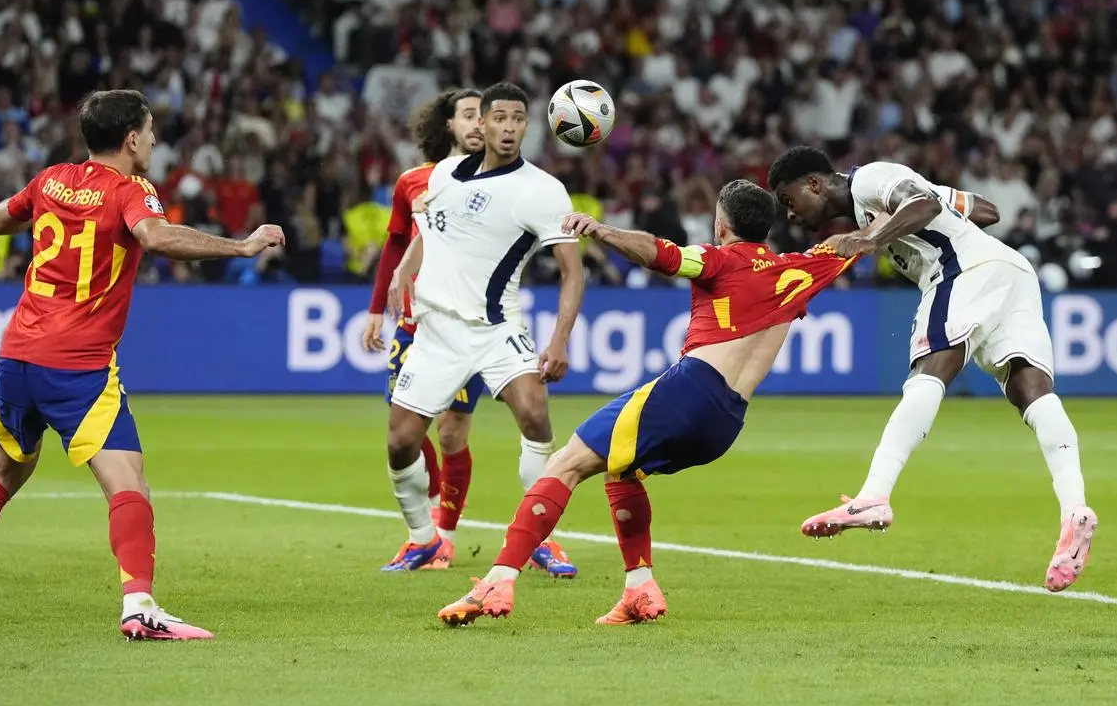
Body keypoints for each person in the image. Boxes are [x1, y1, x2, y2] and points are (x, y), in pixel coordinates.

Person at [0, 90, 285, 637]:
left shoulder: (52, 178)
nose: (154, 141)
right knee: (128, 481)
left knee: (4, 470)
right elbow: (154, 236)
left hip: (17, 355)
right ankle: (140, 607)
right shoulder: (130, 190)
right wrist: (242, 247)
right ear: (132, 139)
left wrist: (38, 215)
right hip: (77, 363)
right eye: (150, 131)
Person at [436, 180, 857, 627]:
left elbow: (660, 253)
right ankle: (640, 588)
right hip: (726, 423)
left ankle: (499, 579)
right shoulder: (800, 269)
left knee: (564, 464)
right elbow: (851, 243)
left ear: (722, 224)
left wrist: (601, 231)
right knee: (622, 471)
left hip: (691, 389)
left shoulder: (718, 258)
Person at [769, 146, 1096, 593]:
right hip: (1011, 271)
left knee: (928, 372)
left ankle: (873, 495)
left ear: (814, 184)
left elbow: (921, 205)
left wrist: (872, 238)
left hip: (963, 269)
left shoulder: (869, 179)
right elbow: (986, 210)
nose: (791, 216)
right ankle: (1075, 508)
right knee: (1031, 391)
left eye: (790, 202)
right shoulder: (884, 194)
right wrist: (935, 199)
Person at [382, 82, 584, 576]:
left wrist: (559, 340)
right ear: (483, 123)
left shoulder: (542, 190)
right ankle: (423, 539)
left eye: (519, 119)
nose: (509, 128)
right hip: (436, 333)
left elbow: (572, 271)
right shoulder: (445, 174)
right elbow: (429, 230)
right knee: (401, 441)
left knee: (535, 414)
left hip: (497, 329)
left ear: (528, 127)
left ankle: (542, 538)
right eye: (500, 118)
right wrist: (404, 269)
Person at [361, 89, 490, 570]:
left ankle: (445, 534)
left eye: (487, 115)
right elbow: (396, 247)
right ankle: (429, 526)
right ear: (448, 125)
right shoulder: (413, 182)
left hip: (466, 326)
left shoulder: (501, 182)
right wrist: (377, 309)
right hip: (413, 325)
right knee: (406, 432)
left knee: (452, 434)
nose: (480, 123)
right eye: (470, 115)